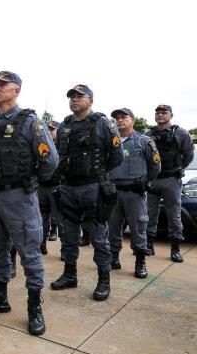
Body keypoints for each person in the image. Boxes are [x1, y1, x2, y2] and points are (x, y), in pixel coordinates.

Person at [0, 71, 57, 336]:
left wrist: (30, 182)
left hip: (19, 196)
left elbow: (50, 162)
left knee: (29, 252)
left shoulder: (30, 122)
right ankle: (0, 298)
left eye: (2, 85)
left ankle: (34, 308)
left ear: (16, 90)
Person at [51, 84, 124, 302]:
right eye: (71, 97)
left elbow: (117, 155)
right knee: (69, 235)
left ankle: (103, 280)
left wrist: (99, 173)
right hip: (69, 187)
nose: (74, 99)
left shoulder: (103, 123)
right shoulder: (64, 125)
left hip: (93, 187)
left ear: (90, 100)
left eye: (79, 96)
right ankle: (70, 275)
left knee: (99, 237)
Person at [108, 108, 161, 278]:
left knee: (139, 227)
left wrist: (145, 181)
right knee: (113, 227)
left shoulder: (144, 141)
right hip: (114, 193)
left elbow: (155, 166)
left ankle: (140, 262)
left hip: (134, 193)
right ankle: (113, 258)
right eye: (117, 117)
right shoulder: (111, 141)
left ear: (133, 120)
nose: (119, 120)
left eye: (124, 117)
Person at [146, 105, 194, 262]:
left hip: (171, 179)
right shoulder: (148, 134)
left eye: (163, 112)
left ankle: (175, 248)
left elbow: (188, 154)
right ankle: (148, 245)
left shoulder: (180, 133)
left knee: (174, 214)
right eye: (157, 113)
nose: (160, 115)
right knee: (149, 214)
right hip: (153, 180)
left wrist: (180, 168)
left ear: (171, 115)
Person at [37, 120, 63, 255]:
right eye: (48, 129)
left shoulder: (63, 146)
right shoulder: (41, 146)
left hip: (58, 187)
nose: (49, 132)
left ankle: (65, 249)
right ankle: (42, 244)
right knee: (42, 219)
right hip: (42, 187)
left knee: (62, 219)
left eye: (52, 129)